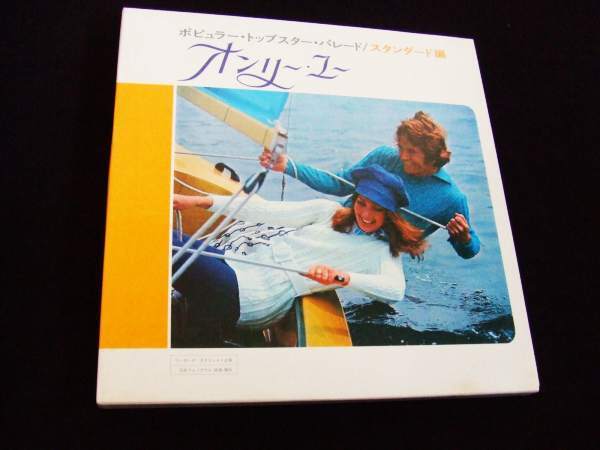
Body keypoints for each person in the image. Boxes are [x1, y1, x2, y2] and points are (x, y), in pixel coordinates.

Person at [171, 165, 427, 345]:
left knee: (167, 244)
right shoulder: (328, 211)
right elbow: (264, 210)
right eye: (362, 203)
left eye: (377, 209)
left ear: (389, 213)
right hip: (237, 266)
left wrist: (341, 277)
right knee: (168, 239)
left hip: (253, 297)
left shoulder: (382, 251)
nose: (366, 214)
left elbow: (394, 290)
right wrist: (197, 201)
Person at [259, 111, 480, 259]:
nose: (402, 156)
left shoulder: (452, 198)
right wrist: (288, 166)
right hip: (340, 226)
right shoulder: (384, 156)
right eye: (401, 147)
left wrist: (464, 239)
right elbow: (338, 184)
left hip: (374, 253)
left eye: (411, 151)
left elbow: (470, 252)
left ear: (431, 154)